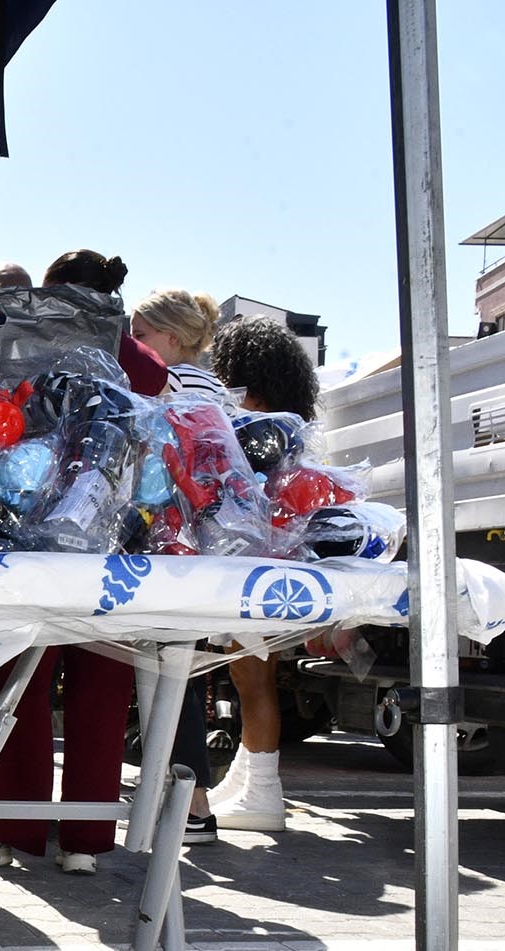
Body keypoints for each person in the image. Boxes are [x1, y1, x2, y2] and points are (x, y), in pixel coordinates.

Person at [0, 250, 149, 875]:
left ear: (53, 290)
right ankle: (85, 844)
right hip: (121, 540)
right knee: (104, 684)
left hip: (37, 532)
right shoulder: (144, 359)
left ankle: (6, 830)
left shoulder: (34, 338)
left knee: (19, 681)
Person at [204, 316, 323, 833]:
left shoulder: (256, 423)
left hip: (257, 559)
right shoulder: (291, 422)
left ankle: (264, 792)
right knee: (249, 673)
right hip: (276, 558)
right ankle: (248, 780)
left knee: (253, 676)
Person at [129, 288, 232, 843]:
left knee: (169, 674)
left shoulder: (175, 387)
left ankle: (192, 805)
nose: (138, 349)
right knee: (177, 672)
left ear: (170, 338)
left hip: (175, 541)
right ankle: (185, 799)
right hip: (208, 542)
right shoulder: (216, 389)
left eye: (143, 337)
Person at [39, 249, 169, 399]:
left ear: (65, 292)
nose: (40, 307)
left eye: (44, 296)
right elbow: (165, 417)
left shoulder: (35, 351)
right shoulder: (149, 362)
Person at [132, 288, 228, 399]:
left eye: (139, 335)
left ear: (173, 337)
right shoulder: (218, 385)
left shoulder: (166, 379)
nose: (133, 342)